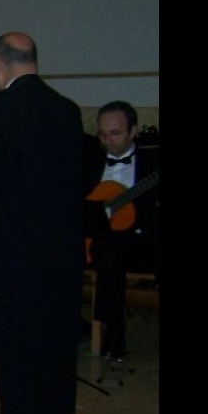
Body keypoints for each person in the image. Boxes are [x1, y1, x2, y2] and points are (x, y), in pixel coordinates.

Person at [0, 32, 85, 414]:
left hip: (14, 256)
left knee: (15, 349)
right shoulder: (68, 111)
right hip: (64, 254)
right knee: (56, 348)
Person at [87, 100, 159, 361]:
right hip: (93, 242)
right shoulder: (89, 162)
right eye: (103, 134)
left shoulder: (152, 164)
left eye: (115, 134)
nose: (108, 140)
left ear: (133, 131)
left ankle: (114, 333)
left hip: (142, 243)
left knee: (111, 252)